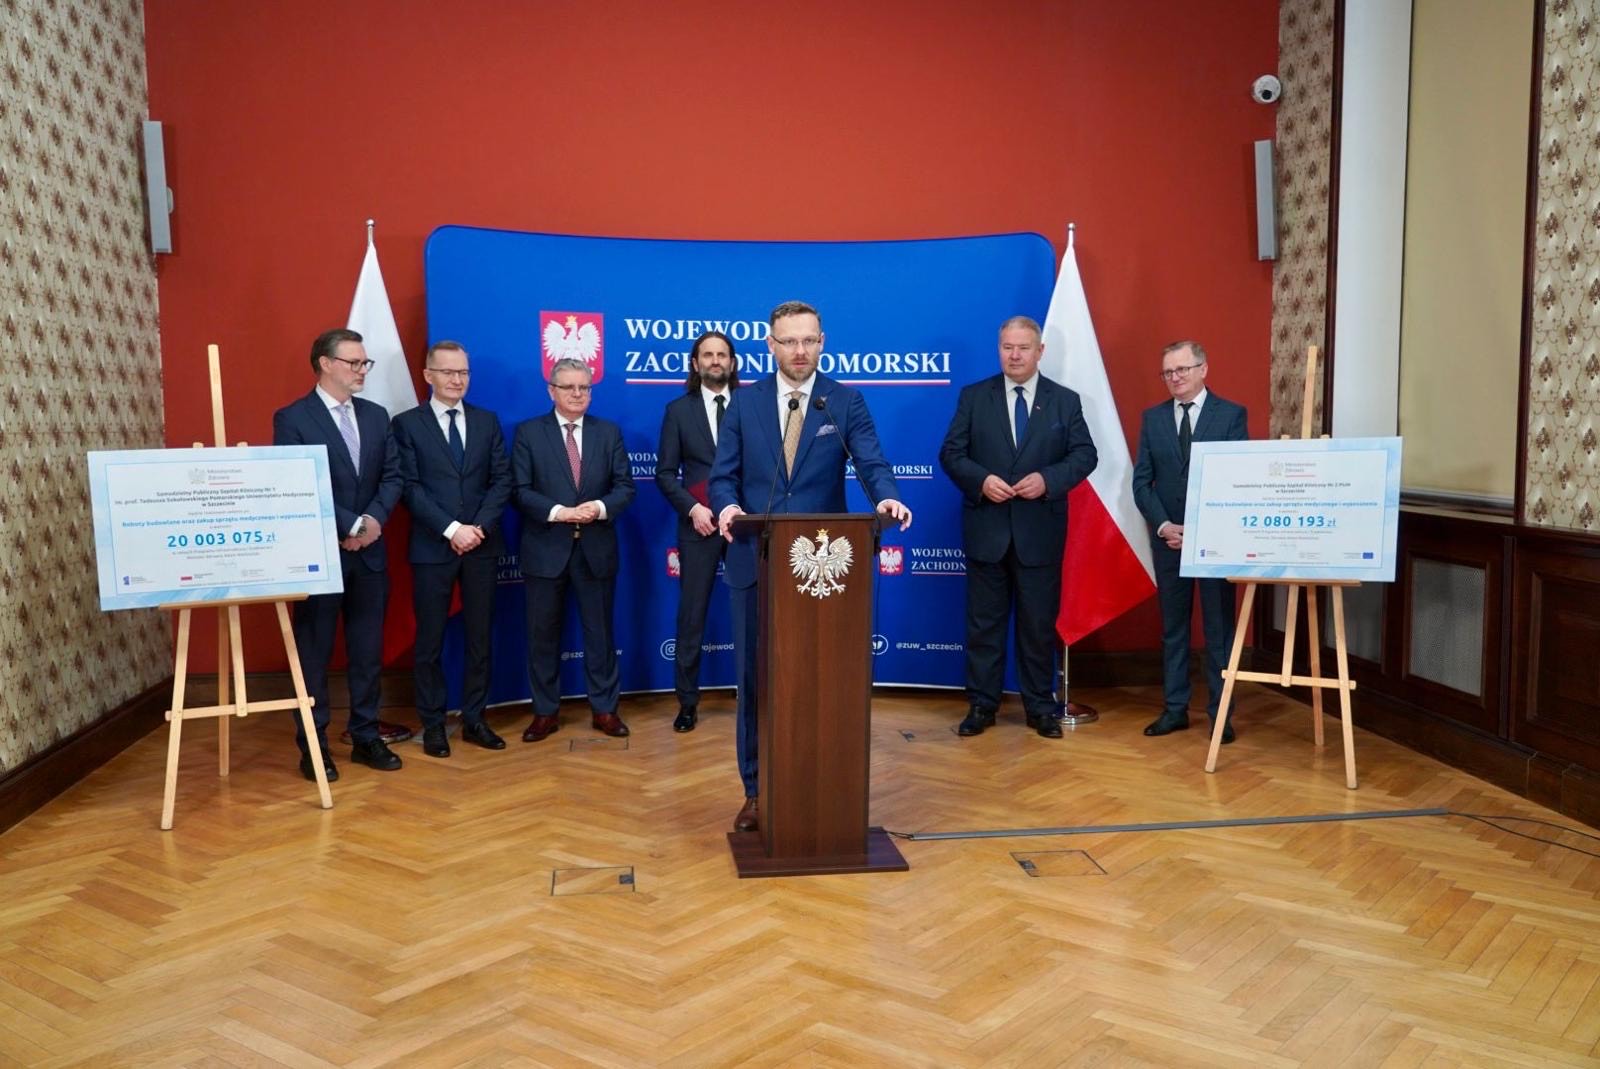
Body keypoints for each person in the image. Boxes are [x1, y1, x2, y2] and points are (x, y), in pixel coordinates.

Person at [709, 300, 912, 833]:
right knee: (755, 681)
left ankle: (823, 782)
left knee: (822, 680)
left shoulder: (843, 402)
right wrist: (727, 508)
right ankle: (756, 790)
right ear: (770, 345)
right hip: (756, 562)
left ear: (822, 342)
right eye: (789, 341)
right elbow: (723, 476)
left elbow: (870, 461)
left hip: (824, 569)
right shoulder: (744, 403)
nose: (799, 351)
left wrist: (886, 497)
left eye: (809, 340)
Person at [939, 316, 1098, 740]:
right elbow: (951, 453)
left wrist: (1048, 479)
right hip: (987, 532)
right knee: (984, 626)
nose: (1014, 355)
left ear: (1040, 351)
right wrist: (981, 481)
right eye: (1007, 347)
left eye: (1023, 347)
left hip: (1039, 533)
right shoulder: (974, 397)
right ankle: (982, 706)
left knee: (1037, 627)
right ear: (999, 349)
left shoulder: (1065, 401)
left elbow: (1085, 455)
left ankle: (1040, 708)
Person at [272, 328, 404, 779]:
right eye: (354, 362)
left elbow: (393, 476)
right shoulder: (293, 418)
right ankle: (314, 745)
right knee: (314, 655)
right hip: (319, 555)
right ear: (325, 364)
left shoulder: (376, 415)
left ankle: (366, 736)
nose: (362, 370)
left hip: (370, 554)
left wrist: (372, 521)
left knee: (367, 652)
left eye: (365, 363)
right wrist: (349, 524)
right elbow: (297, 483)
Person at [391, 340, 513, 758]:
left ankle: (475, 719)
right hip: (433, 547)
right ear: (429, 376)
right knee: (430, 641)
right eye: (447, 372)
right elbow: (409, 487)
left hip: (481, 544)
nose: (457, 379)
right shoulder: (406, 424)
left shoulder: (486, 421)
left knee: (480, 637)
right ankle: (433, 724)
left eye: (463, 372)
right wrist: (451, 529)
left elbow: (501, 480)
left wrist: (477, 528)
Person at [511, 358, 636, 741]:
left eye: (584, 387)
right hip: (545, 549)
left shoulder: (608, 432)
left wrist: (597, 508)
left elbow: (625, 487)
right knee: (542, 636)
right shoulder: (529, 433)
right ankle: (545, 712)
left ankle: (605, 709)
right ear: (552, 390)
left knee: (601, 635)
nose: (578, 394)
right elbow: (519, 490)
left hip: (596, 550)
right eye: (568, 387)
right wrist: (559, 512)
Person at [1131, 339, 1250, 743]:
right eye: (1168, 372)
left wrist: (1201, 529)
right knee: (1174, 630)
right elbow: (1141, 482)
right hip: (1169, 541)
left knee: (1218, 631)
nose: (1175, 377)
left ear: (1203, 369)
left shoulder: (1230, 415)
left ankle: (1221, 714)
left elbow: (1237, 479)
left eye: (1182, 369)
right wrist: (1164, 525)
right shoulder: (1153, 419)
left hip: (1215, 542)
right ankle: (1175, 709)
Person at [654, 330, 739, 733]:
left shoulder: (753, 405)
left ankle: (757, 694)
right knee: (691, 616)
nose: (715, 360)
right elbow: (665, 473)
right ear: (695, 363)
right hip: (699, 525)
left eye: (722, 354)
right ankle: (687, 702)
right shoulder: (678, 411)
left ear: (732, 363)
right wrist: (693, 509)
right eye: (708, 355)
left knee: (754, 613)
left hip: (745, 526)